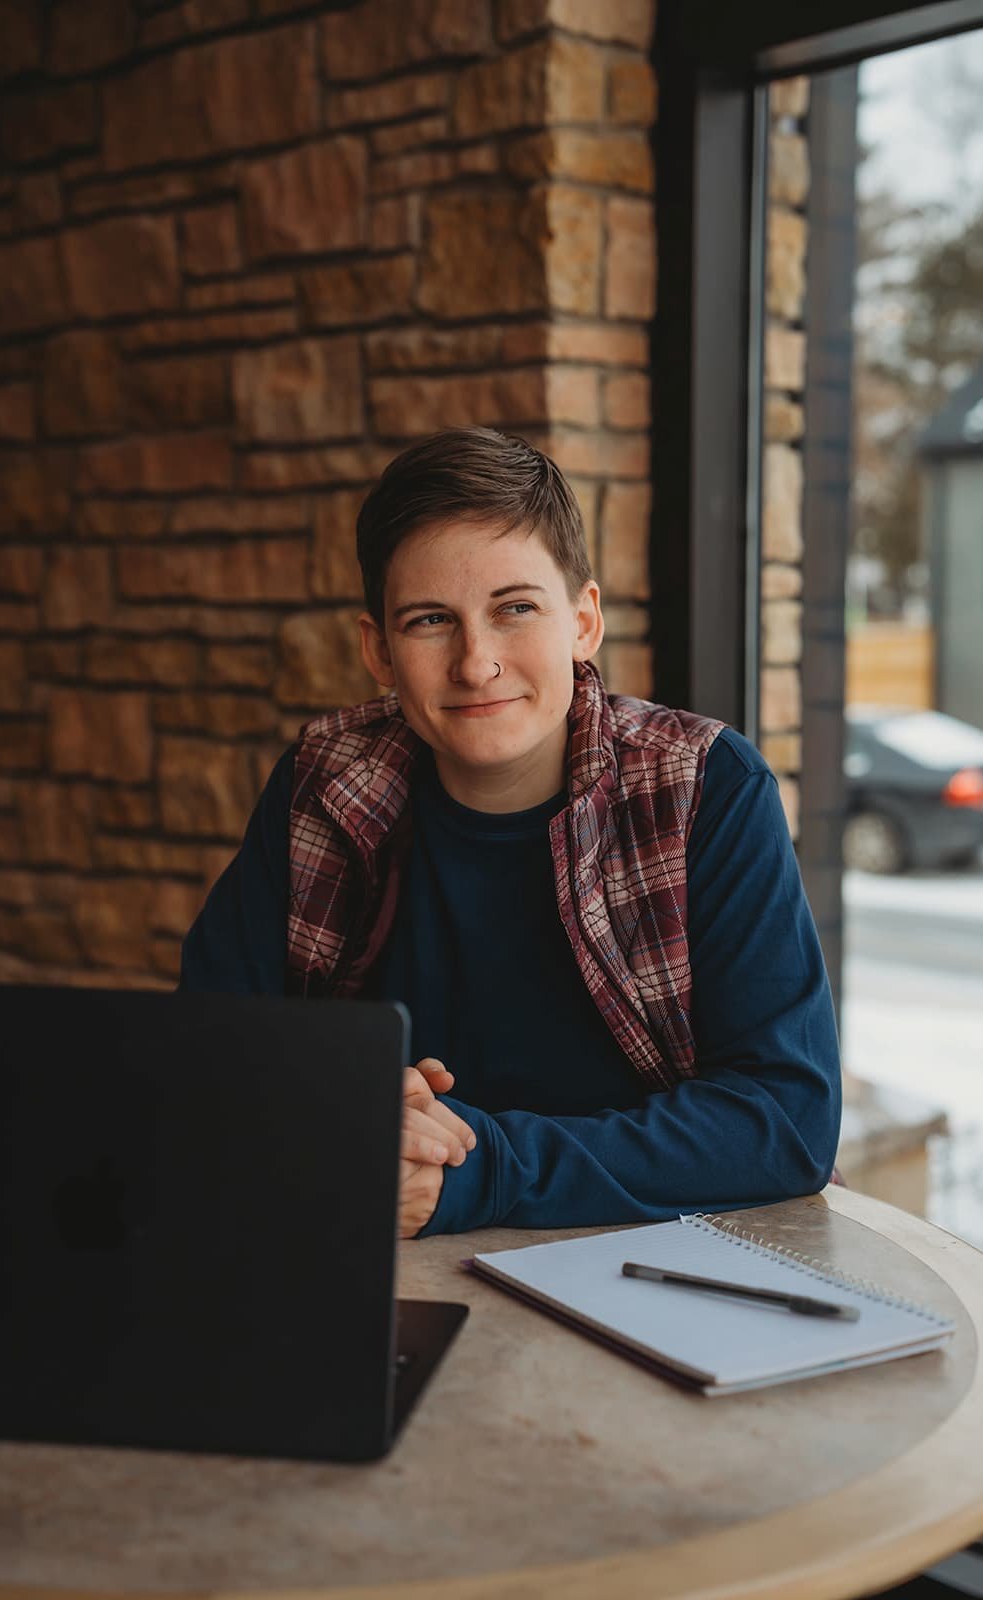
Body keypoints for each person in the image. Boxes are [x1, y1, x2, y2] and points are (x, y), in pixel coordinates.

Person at [181, 427, 842, 1238]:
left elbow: (782, 1123)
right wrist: (349, 1103)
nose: (475, 663)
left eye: (515, 609)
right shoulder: (326, 782)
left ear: (584, 622)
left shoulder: (702, 786)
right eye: (430, 620)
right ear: (377, 650)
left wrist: (480, 1168)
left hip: (652, 1258)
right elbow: (205, 1051)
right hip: (373, 1251)